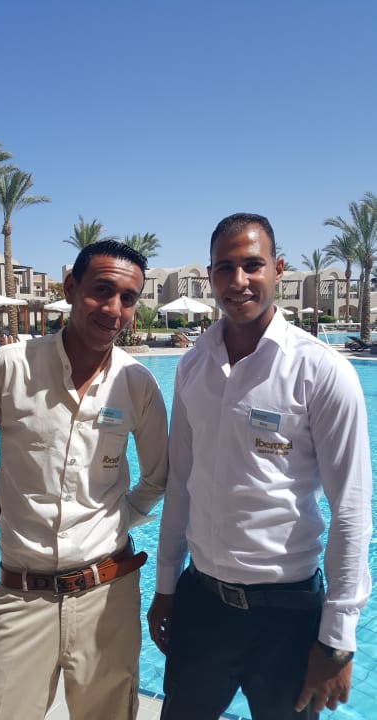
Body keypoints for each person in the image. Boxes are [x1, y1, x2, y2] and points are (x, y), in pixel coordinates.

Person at [148, 213, 372, 720]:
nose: (239, 280)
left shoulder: (321, 371)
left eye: (252, 265)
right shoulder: (192, 366)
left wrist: (337, 638)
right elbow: (181, 484)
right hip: (202, 603)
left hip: (288, 614)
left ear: (278, 269)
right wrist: (166, 586)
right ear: (210, 275)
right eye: (225, 267)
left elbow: (351, 508)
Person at [0, 239, 168, 720]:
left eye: (128, 298)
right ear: (71, 289)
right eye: (102, 290)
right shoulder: (8, 367)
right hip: (22, 595)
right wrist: (0, 511)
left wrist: (117, 520)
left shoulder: (137, 383)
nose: (114, 309)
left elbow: (158, 477)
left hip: (108, 597)